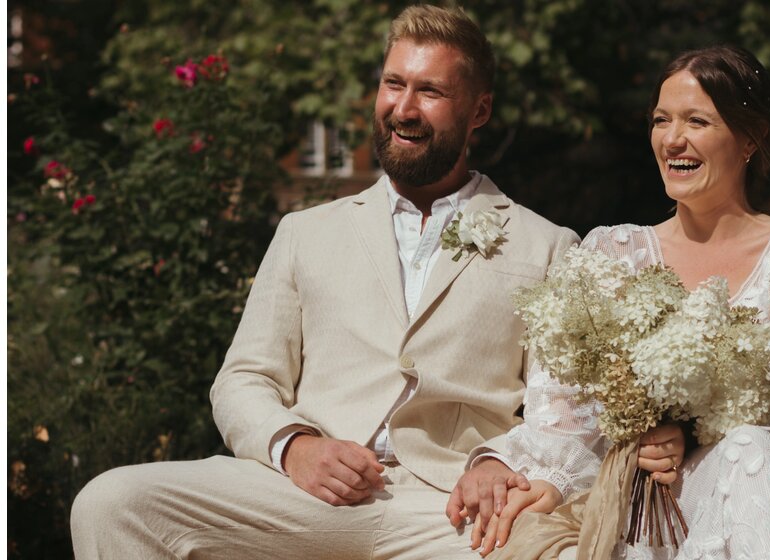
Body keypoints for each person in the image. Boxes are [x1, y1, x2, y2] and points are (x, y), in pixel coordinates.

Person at [69, 6, 578, 559]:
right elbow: (243, 379)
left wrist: (499, 461)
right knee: (111, 502)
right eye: (393, 84)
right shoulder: (305, 232)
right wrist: (295, 447)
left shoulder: (548, 247)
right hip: (302, 495)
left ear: (479, 110)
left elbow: (565, 409)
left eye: (430, 91)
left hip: (451, 512)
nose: (402, 109)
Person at [478, 46, 770, 560]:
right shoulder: (611, 255)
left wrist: (682, 429)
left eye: (696, 121)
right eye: (661, 120)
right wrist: (545, 476)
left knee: (747, 446)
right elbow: (562, 410)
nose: (672, 138)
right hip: (640, 512)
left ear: (750, 138)